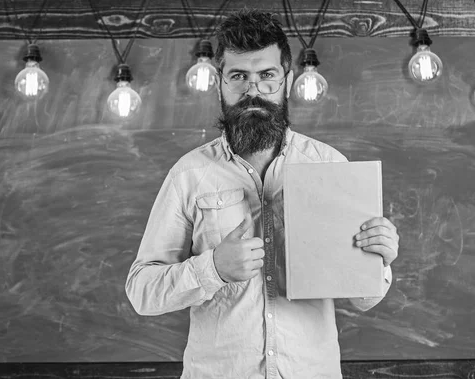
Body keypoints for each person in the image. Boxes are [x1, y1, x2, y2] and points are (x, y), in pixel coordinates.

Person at [126, 9, 399, 379]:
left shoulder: (328, 165)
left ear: (286, 80)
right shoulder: (189, 175)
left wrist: (378, 257)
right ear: (220, 81)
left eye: (266, 76)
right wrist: (213, 269)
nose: (253, 90)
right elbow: (142, 291)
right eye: (238, 76)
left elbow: (365, 299)